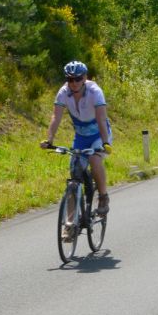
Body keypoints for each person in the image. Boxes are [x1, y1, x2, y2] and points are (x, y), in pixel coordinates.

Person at [41, 60, 112, 217]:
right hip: (81, 136)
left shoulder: (95, 91)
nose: (73, 83)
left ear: (85, 77)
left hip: (99, 135)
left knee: (94, 160)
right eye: (69, 79)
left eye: (78, 79)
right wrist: (49, 139)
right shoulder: (63, 92)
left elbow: (101, 119)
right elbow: (56, 116)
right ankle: (70, 223)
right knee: (74, 176)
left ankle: (103, 196)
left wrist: (105, 142)